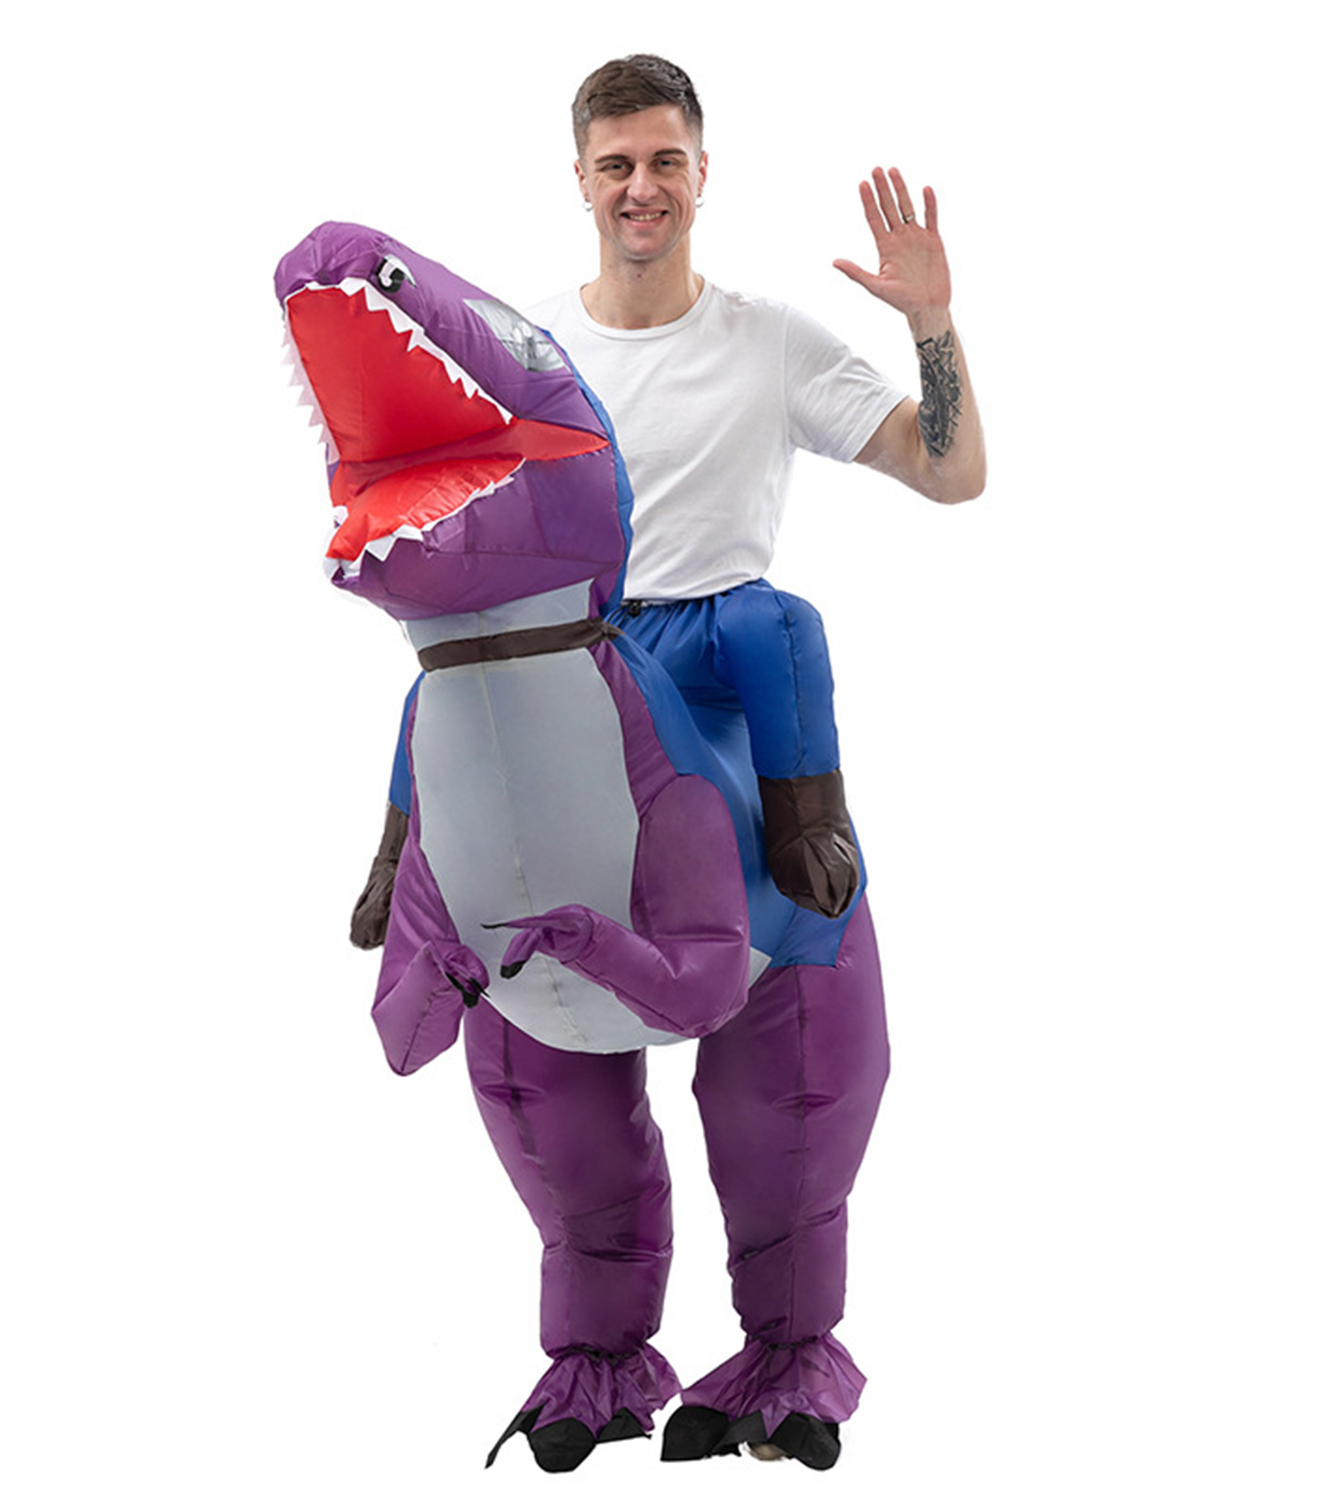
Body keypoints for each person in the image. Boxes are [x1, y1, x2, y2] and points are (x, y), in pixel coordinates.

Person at [350, 54, 985, 1472]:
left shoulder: (767, 341)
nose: (642, 187)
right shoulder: (525, 368)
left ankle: (790, 1345)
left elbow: (951, 473)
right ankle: (595, 1353)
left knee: (797, 1033)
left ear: (702, 173)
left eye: (665, 162)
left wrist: (933, 325)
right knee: (533, 1032)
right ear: (581, 180)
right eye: (617, 164)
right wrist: (404, 842)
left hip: (722, 693)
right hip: (564, 671)